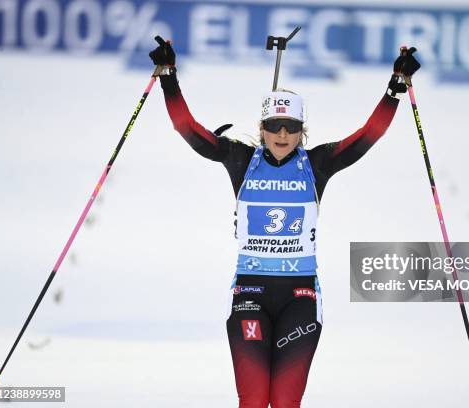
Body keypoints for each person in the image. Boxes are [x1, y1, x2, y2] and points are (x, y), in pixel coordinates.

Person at [149, 37, 420, 408]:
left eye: (291, 127)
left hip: (301, 298)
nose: (282, 135)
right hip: (249, 295)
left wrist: (395, 89)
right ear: (262, 128)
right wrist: (168, 77)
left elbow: (368, 136)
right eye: (274, 126)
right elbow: (185, 127)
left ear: (301, 130)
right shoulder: (240, 160)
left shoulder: (317, 164)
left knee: (286, 401)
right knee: (255, 400)